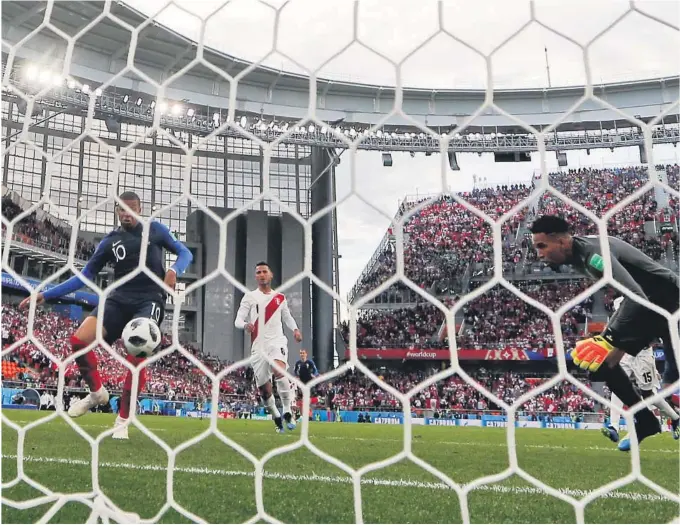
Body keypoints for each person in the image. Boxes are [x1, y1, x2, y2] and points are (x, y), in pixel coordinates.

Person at [19, 191, 193, 439]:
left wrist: (174, 270)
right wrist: (45, 295)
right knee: (78, 341)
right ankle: (97, 393)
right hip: (117, 299)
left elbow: (185, 253)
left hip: (149, 300)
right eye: (122, 209)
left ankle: (122, 420)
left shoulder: (156, 230)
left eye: (131, 208)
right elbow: (84, 276)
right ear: (116, 211)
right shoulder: (110, 241)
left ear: (140, 209)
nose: (126, 213)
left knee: (137, 356)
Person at [530, 215, 679, 449]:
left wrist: (608, 338)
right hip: (650, 306)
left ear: (560, 241)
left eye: (542, 246)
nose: (538, 253)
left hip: (668, 299)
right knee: (602, 362)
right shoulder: (578, 252)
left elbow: (635, 295)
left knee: (671, 372)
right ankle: (646, 421)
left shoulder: (592, 255)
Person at [601, 297, 680, 448]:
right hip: (624, 352)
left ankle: (675, 418)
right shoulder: (620, 302)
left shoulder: (644, 299)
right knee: (616, 384)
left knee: (648, 394)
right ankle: (614, 426)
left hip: (642, 353)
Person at [234, 261, 302, 433]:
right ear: (256, 276)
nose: (261, 274)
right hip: (258, 348)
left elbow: (287, 317)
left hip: (277, 342)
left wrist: (295, 329)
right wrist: (246, 325)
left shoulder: (280, 298)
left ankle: (287, 410)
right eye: (258, 272)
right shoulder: (250, 297)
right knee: (265, 391)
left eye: (264, 271)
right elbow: (238, 320)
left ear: (271, 275)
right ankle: (276, 416)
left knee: (279, 369)